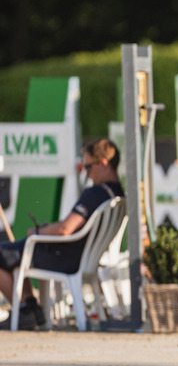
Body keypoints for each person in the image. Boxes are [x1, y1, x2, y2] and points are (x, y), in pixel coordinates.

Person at [0, 139, 125, 330]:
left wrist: (37, 231)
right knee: (16, 252)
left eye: (88, 166)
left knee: (10, 251)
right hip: (83, 257)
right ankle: (28, 307)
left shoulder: (96, 193)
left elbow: (65, 229)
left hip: (66, 258)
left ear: (103, 163)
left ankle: (25, 309)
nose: (86, 172)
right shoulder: (117, 193)